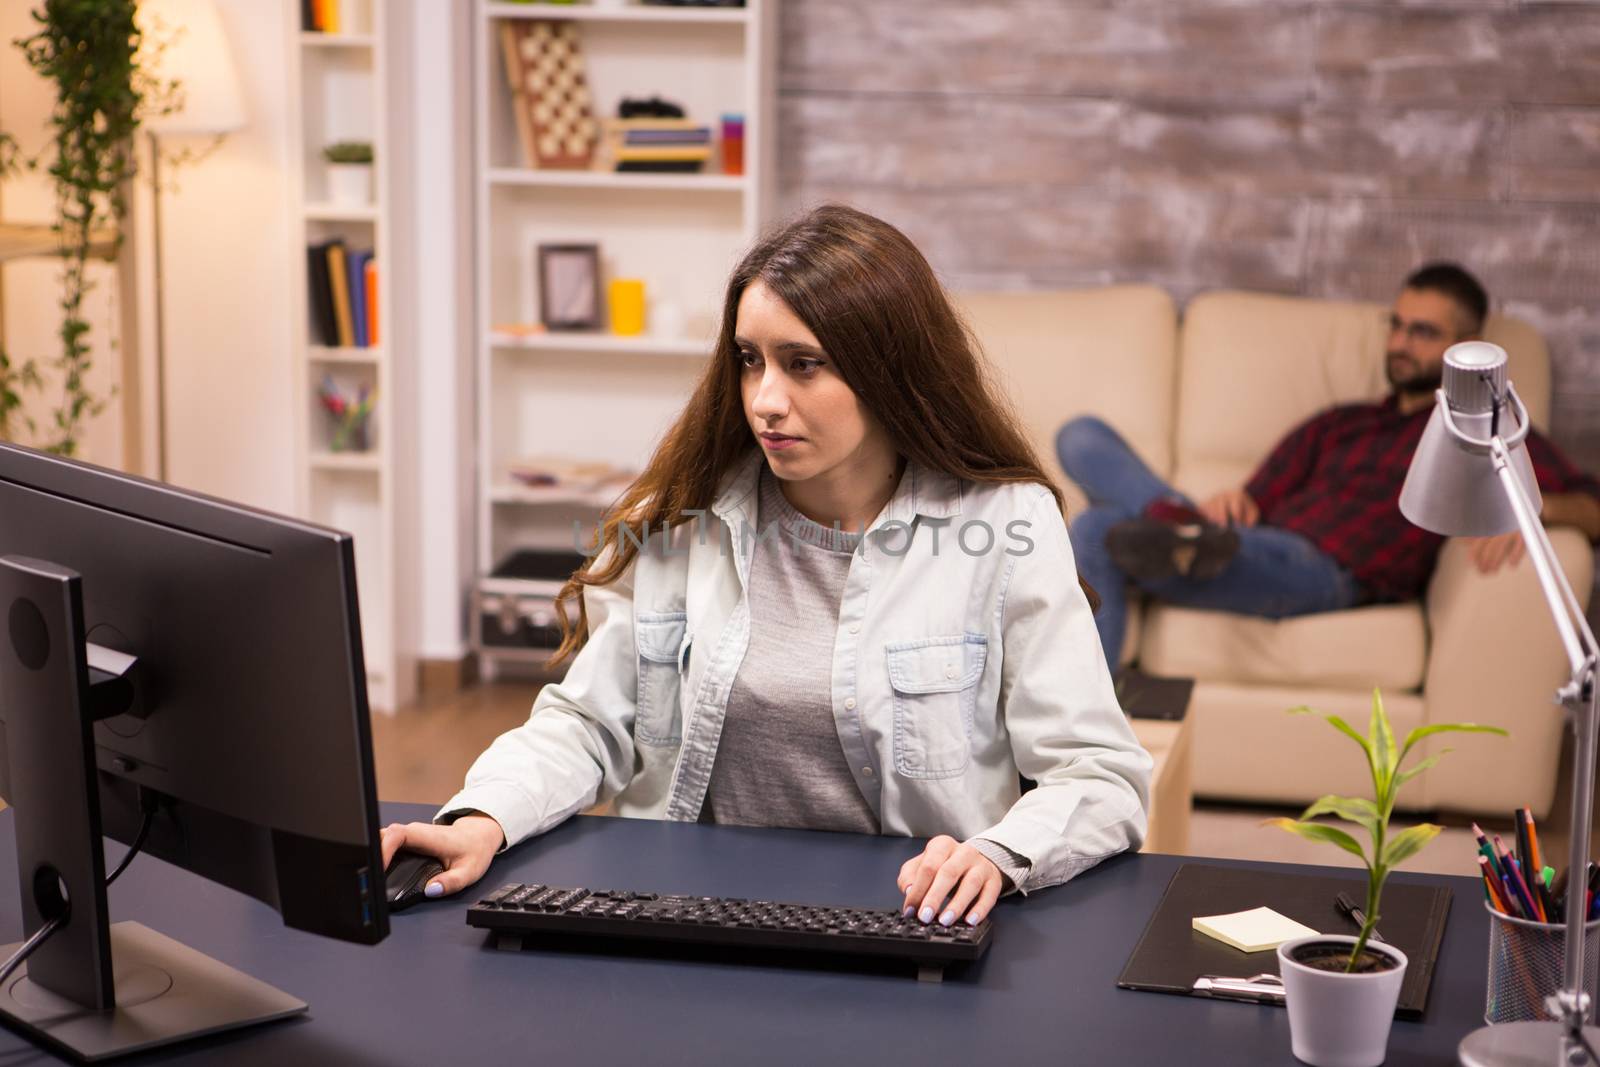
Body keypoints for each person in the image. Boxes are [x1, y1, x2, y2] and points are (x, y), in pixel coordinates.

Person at [382, 205, 1151, 928]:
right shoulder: (681, 510)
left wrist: (998, 853)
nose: (766, 400)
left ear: (892, 372)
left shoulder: (1004, 519)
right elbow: (588, 723)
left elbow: (1099, 775)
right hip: (689, 918)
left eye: (804, 364)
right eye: (750, 361)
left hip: (909, 924)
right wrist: (480, 815)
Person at [1057, 262, 1600, 670]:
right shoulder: (1342, 422)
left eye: (1423, 332)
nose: (1400, 344)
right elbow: (1255, 499)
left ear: (1463, 347)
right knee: (1079, 436)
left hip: (1326, 574)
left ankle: (1085, 738)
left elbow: (1592, 505)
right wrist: (1233, 502)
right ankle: (1174, 517)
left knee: (1097, 528)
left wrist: (1538, 505)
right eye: (1397, 326)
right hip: (1251, 545)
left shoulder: (1478, 432)